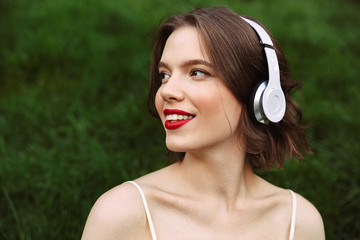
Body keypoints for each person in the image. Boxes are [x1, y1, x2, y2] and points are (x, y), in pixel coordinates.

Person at [81, 6, 325, 240]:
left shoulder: (300, 221)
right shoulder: (122, 213)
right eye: (164, 75)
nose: (167, 91)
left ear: (259, 95)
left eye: (197, 72)